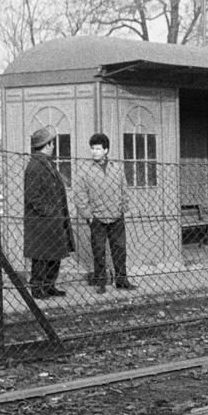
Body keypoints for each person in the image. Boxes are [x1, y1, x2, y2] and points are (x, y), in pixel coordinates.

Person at [71, 132, 136, 291]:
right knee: (98, 251)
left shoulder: (116, 168)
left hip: (116, 217)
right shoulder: (85, 171)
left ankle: (122, 281)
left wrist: (123, 209)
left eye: (98, 149)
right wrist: (89, 216)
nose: (94, 152)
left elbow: (124, 190)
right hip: (97, 219)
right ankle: (101, 283)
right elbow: (79, 195)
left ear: (106, 150)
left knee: (120, 250)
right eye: (92, 148)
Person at [22, 126, 73, 298]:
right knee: (41, 256)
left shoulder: (44, 163)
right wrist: (50, 212)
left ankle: (49, 285)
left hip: (52, 221)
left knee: (54, 254)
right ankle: (37, 288)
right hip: (43, 222)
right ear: (48, 144)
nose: (54, 146)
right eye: (52, 143)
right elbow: (32, 196)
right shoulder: (35, 166)